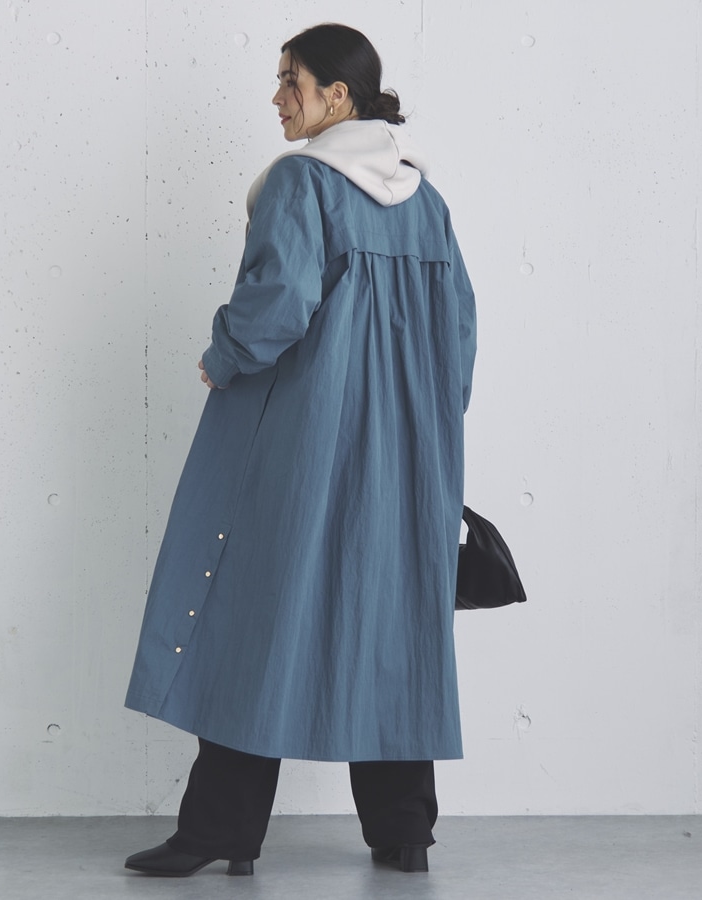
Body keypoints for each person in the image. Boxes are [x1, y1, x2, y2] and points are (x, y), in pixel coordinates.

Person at [124, 22, 476, 878]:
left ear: (337, 96)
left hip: (303, 442)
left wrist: (223, 354)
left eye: (292, 81)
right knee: (392, 620)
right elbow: (459, 334)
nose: (278, 97)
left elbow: (277, 305)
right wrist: (427, 429)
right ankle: (404, 833)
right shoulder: (425, 201)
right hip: (408, 453)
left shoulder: (301, 181)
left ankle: (218, 831)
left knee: (251, 611)